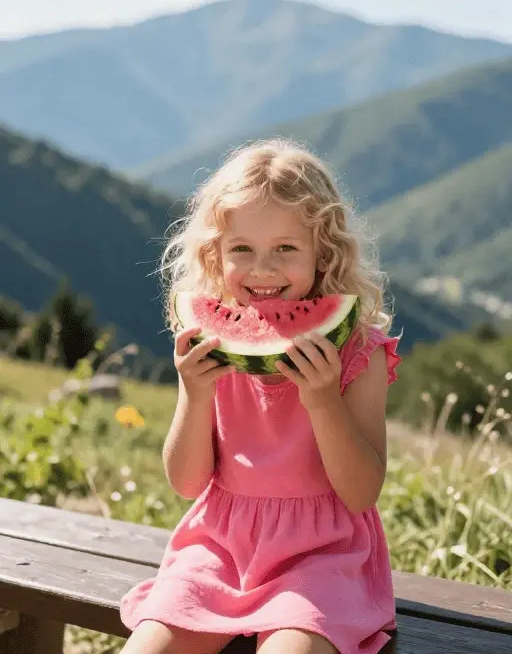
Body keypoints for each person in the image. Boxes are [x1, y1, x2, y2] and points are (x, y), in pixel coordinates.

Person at [119, 139, 402, 654]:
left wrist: (322, 400)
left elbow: (362, 492)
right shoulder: (211, 348)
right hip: (218, 551)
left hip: (321, 560)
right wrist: (196, 393)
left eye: (286, 249)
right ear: (215, 254)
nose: (263, 270)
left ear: (324, 253)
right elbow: (186, 483)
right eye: (242, 250)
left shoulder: (361, 352)